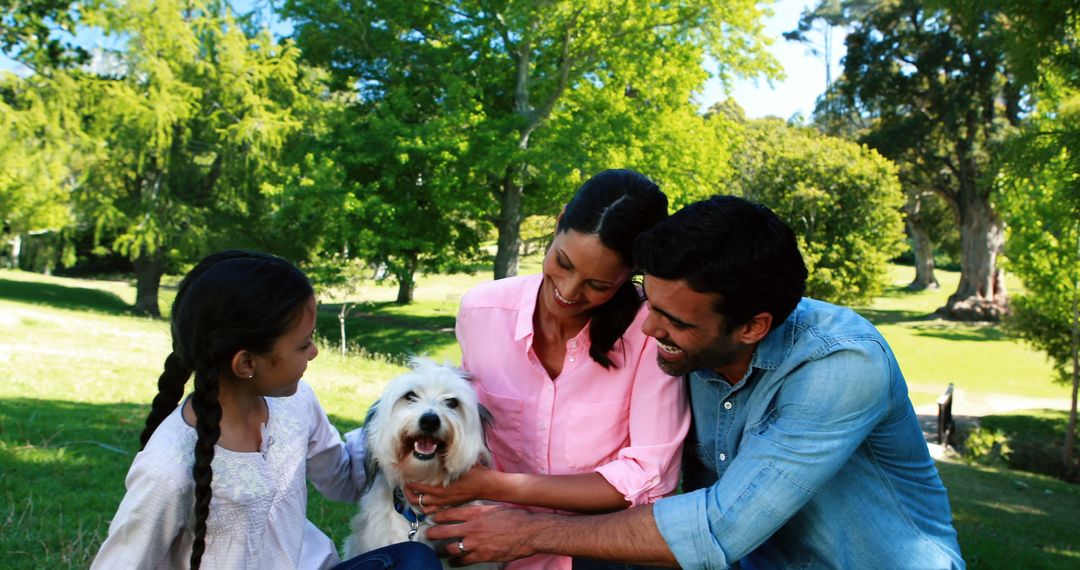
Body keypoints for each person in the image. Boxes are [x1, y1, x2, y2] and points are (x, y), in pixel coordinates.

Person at [425, 195, 965, 569]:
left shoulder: (841, 365)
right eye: (650, 304)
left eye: (676, 323)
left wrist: (529, 532)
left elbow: (716, 529)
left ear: (753, 327)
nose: (650, 329)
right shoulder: (688, 346)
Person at [406, 169, 690, 569]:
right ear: (559, 223)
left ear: (630, 275)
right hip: (487, 545)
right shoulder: (481, 311)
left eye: (598, 285)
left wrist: (497, 487)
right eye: (563, 262)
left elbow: (647, 476)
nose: (569, 292)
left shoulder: (648, 332)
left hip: (600, 553)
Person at [92, 250, 440, 570]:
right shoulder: (168, 468)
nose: (315, 352)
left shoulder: (297, 402)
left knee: (415, 561)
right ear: (246, 363)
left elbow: (344, 480)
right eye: (303, 344)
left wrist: (399, 426)